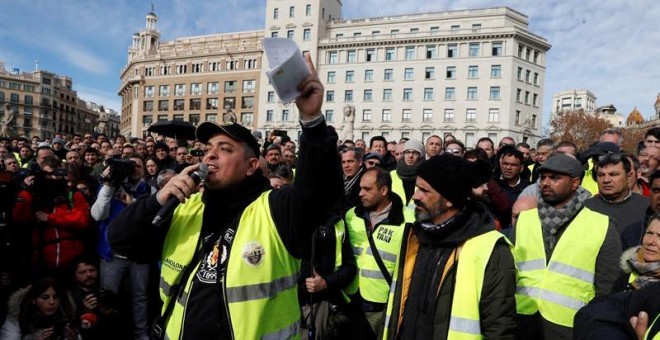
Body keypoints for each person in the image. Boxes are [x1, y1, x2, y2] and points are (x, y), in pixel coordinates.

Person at [108, 53, 343, 339]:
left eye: (225, 148)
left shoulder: (274, 209)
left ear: (251, 166)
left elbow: (321, 194)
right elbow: (120, 240)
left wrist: (312, 122)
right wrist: (157, 200)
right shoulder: (183, 207)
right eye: (207, 147)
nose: (210, 154)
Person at [384, 154, 516, 339]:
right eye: (416, 187)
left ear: (449, 199)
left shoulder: (490, 248)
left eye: (424, 190)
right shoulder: (414, 237)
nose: (415, 196)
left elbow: (500, 327)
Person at [512, 154, 621, 339]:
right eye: (543, 177)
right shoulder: (525, 219)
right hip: (522, 319)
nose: (546, 182)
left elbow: (607, 285)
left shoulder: (602, 225)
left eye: (555, 178)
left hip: (570, 325)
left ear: (575, 182)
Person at [90, 154, 155, 340]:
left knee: (140, 297)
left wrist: (133, 204)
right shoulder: (110, 187)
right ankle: (106, 333)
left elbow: (153, 219)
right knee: (107, 297)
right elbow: (97, 215)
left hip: (139, 254)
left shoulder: (150, 190)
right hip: (112, 254)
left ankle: (141, 334)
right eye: (130, 165)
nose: (134, 169)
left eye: (138, 166)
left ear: (144, 170)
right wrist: (109, 186)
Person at [345, 167, 414, 338]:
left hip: (382, 305)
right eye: (360, 188)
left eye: (367, 189)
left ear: (384, 190)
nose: (360, 193)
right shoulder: (351, 215)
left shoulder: (408, 220)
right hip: (349, 300)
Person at [12, 157, 91, 274]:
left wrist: (50, 218)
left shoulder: (73, 195)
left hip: (73, 260)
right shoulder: (33, 196)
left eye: (56, 173)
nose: (53, 178)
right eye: (48, 174)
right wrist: (25, 190)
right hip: (42, 261)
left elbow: (82, 221)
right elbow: (18, 217)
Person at [584, 152, 649, 249]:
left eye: (613, 174)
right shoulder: (586, 208)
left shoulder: (647, 206)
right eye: (601, 175)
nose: (606, 180)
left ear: (629, 176)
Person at [0, 276, 79, 340]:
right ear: (34, 300)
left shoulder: (66, 312)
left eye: (56, 297)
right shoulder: (18, 313)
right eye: (45, 297)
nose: (51, 302)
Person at [68, 256, 121, 340]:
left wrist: (108, 312)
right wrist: (86, 312)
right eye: (82, 272)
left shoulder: (105, 292)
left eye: (92, 270)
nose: (89, 274)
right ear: (74, 275)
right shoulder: (69, 297)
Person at [390, 139, 424, 206]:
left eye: (415, 153)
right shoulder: (392, 174)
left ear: (420, 156)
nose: (410, 156)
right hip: (397, 215)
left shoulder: (426, 175)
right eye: (407, 152)